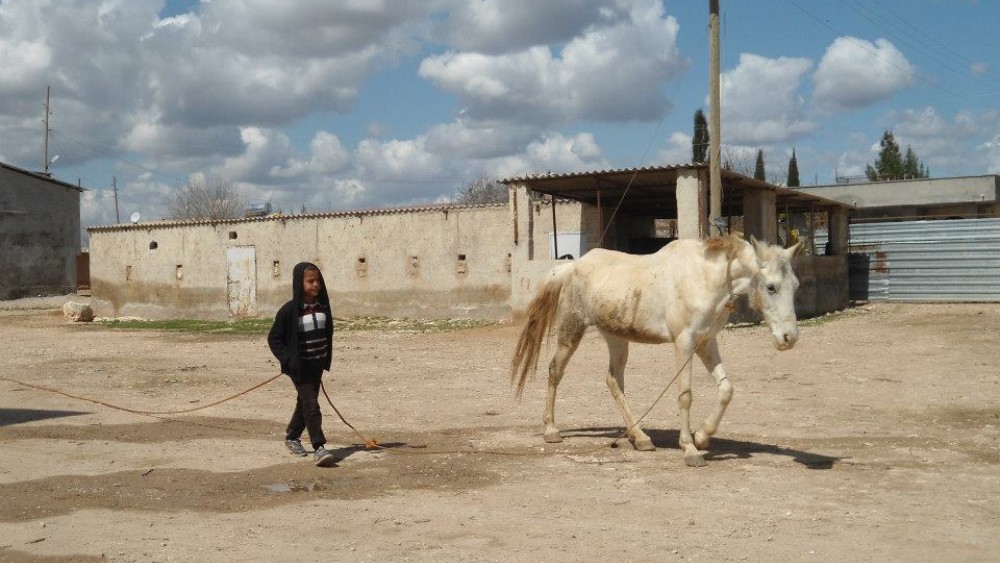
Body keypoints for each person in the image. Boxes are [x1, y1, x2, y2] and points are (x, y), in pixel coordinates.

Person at [268, 262, 337, 467]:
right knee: (312, 405)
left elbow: (327, 333)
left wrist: (324, 359)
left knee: (305, 402)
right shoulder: (289, 311)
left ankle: (292, 436)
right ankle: (319, 447)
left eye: (318, 281)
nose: (315, 285)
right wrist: (289, 361)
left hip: (316, 366)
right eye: (310, 281)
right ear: (300, 283)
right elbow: (274, 339)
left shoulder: (322, 307)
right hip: (300, 368)